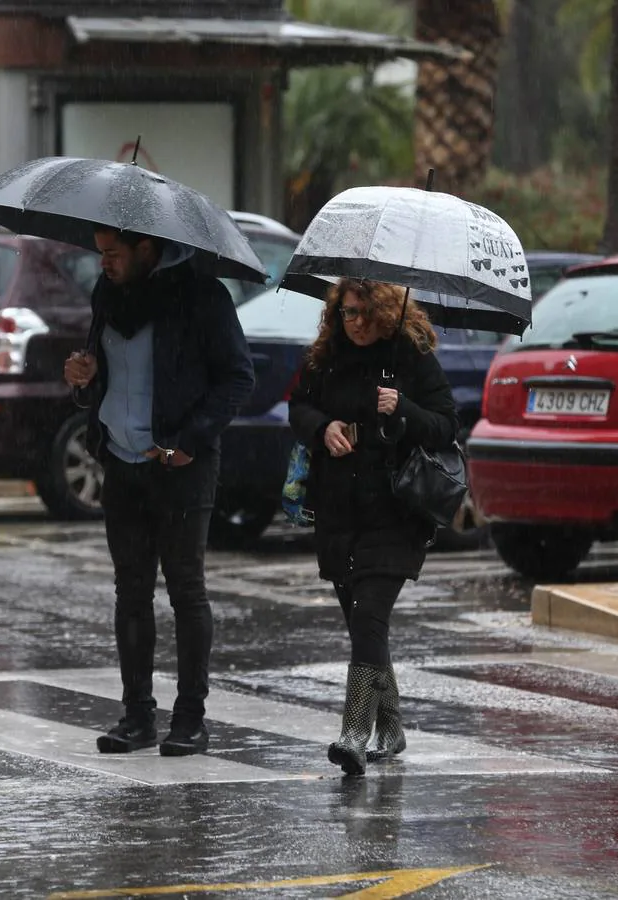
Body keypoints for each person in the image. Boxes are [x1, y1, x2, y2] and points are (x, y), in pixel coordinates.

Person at [64, 227, 254, 757]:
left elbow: (238, 378)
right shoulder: (109, 295)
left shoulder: (200, 295)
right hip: (121, 463)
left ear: (147, 250)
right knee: (131, 591)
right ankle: (137, 716)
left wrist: (189, 442)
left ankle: (190, 719)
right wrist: (83, 378)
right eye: (99, 252)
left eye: (113, 253)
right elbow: (106, 377)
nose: (103, 263)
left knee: (185, 591)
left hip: (179, 466)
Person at [288, 278, 458, 775]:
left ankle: (354, 734)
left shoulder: (410, 355)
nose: (355, 322)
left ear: (385, 311)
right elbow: (298, 407)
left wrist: (401, 408)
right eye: (347, 312)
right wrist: (323, 427)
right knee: (361, 622)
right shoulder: (325, 356)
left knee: (368, 618)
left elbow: (447, 423)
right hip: (339, 508)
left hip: (395, 509)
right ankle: (393, 727)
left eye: (364, 312)